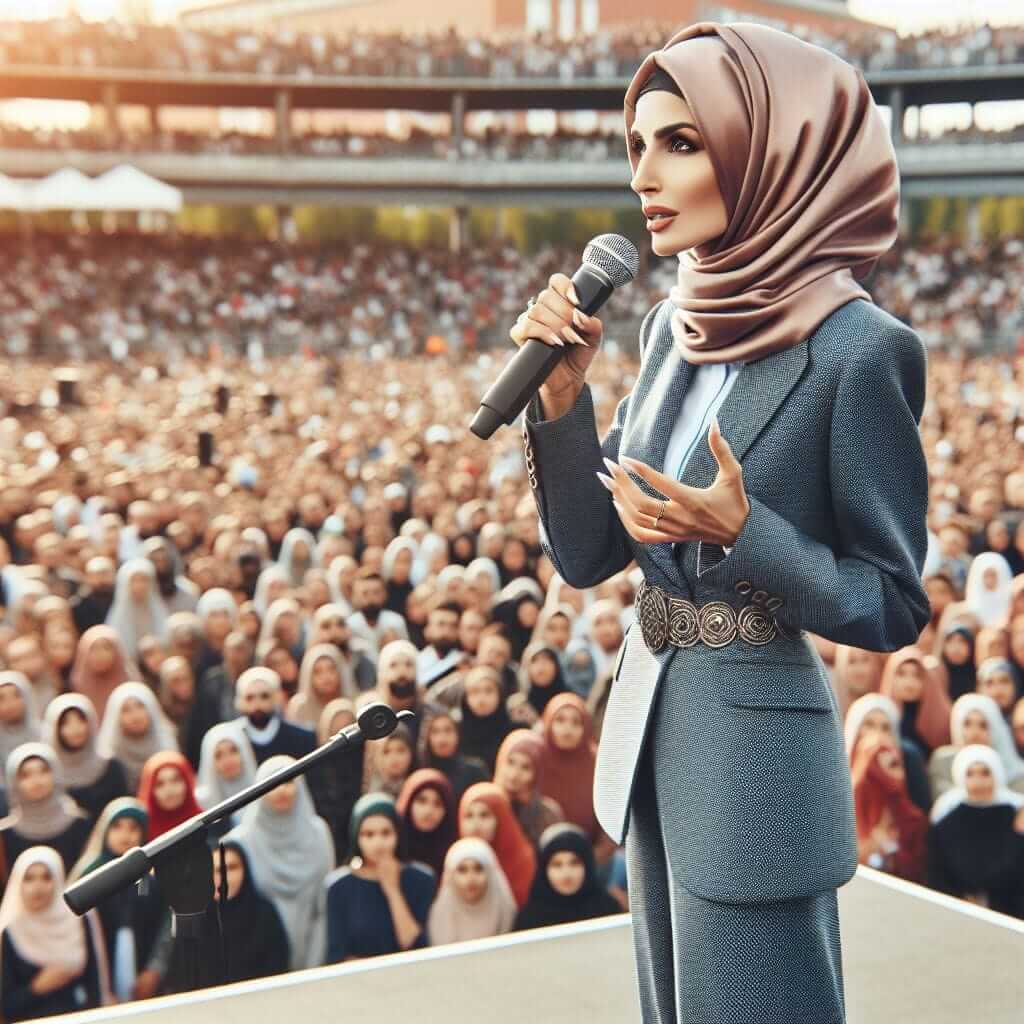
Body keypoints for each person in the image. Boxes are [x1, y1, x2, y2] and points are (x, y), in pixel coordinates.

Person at [513, 21, 930, 1023]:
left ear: (768, 151)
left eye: (680, 143)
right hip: (656, 736)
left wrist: (749, 537)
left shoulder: (860, 351)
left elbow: (892, 601)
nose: (645, 176)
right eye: (638, 146)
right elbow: (588, 553)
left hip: (757, 773)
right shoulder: (673, 325)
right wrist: (564, 406)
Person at [226, 755, 333, 970]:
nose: (281, 790)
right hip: (257, 964)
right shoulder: (240, 842)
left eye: (288, 782)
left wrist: (314, 967)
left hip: (313, 950)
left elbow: (322, 905)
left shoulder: (318, 832)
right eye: (272, 784)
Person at [67, 798, 170, 1003]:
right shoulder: (87, 878)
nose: (125, 835)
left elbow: (164, 928)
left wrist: (154, 970)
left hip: (145, 980)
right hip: (95, 985)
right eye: (117, 827)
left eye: (133, 828)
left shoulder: (152, 880)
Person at [162, 839, 290, 992]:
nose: (223, 877)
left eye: (231, 868)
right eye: (215, 870)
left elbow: (278, 974)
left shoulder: (264, 915)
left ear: (246, 869)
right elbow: (178, 978)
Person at [0, 845, 111, 1020]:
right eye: (29, 878)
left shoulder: (79, 919)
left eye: (46, 877)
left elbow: (96, 986)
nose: (38, 887)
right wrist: (38, 987)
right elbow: (7, 1006)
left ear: (59, 879)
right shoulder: (10, 931)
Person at [322, 792, 435, 963]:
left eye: (386, 833)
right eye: (368, 834)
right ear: (356, 837)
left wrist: (393, 890)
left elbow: (416, 947)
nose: (378, 843)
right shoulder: (338, 887)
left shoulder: (421, 879)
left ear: (397, 834)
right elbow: (337, 955)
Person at [0, 744, 92, 889]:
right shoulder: (4, 835)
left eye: (43, 771)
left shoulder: (80, 824)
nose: (36, 780)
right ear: (14, 782)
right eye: (26, 775)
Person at [513, 823, 621, 932]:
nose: (566, 874)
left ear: (587, 865)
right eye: (557, 864)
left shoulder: (608, 910)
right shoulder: (530, 920)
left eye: (575, 863)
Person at [42, 694, 130, 827]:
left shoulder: (111, 767)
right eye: (66, 723)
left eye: (81, 720)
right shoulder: (46, 773)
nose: (75, 728)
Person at [426, 836, 517, 945]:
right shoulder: (440, 917)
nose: (471, 878)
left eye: (478, 868)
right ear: (450, 875)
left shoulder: (506, 913)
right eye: (462, 870)